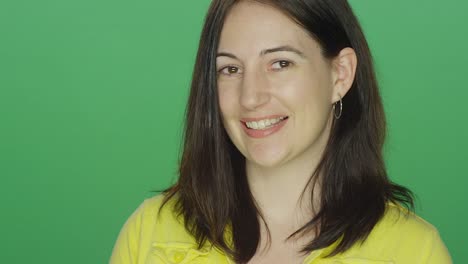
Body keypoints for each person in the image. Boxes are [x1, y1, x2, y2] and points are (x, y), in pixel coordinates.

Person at [110, 0, 452, 263]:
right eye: (230, 69)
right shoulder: (149, 232)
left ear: (341, 75)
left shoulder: (414, 251)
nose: (251, 96)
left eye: (280, 63)